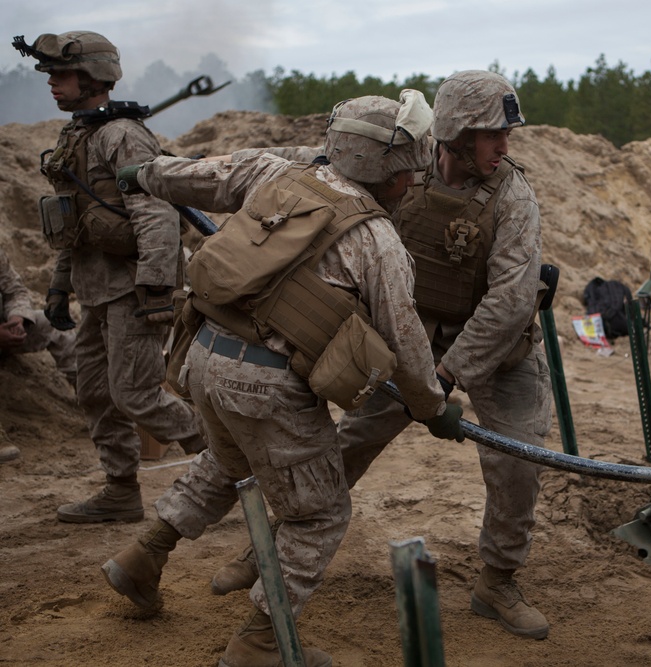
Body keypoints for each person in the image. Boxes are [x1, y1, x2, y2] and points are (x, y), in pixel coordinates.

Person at [100, 91, 465, 667]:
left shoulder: (276, 174)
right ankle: (260, 643)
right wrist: (434, 407)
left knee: (230, 459)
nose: (415, 179)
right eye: (409, 169)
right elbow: (408, 343)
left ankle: (144, 556)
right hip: (266, 386)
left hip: (200, 357)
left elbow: (201, 176)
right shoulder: (377, 241)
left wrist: (142, 173)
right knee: (320, 514)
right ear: (387, 168)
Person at [212, 70, 554, 641]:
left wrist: (446, 375)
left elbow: (512, 300)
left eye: (506, 136)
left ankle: (497, 580)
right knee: (348, 445)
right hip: (411, 340)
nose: (506, 147)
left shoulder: (514, 196)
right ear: (458, 134)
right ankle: (269, 552)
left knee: (519, 464)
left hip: (498, 351)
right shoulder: (399, 172)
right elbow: (319, 177)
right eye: (495, 135)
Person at [13, 31, 206, 521]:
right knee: (96, 392)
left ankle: (225, 465)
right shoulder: (78, 135)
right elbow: (72, 223)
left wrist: (159, 287)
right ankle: (121, 491)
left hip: (134, 288)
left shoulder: (123, 135)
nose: (52, 85)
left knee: (136, 394)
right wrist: (59, 288)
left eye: (61, 75)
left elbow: (157, 213)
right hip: (94, 288)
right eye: (51, 76)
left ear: (93, 77)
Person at [0, 246, 77, 463]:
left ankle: (94, 405)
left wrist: (17, 318)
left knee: (54, 326)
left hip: (5, 329)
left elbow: (15, 290)